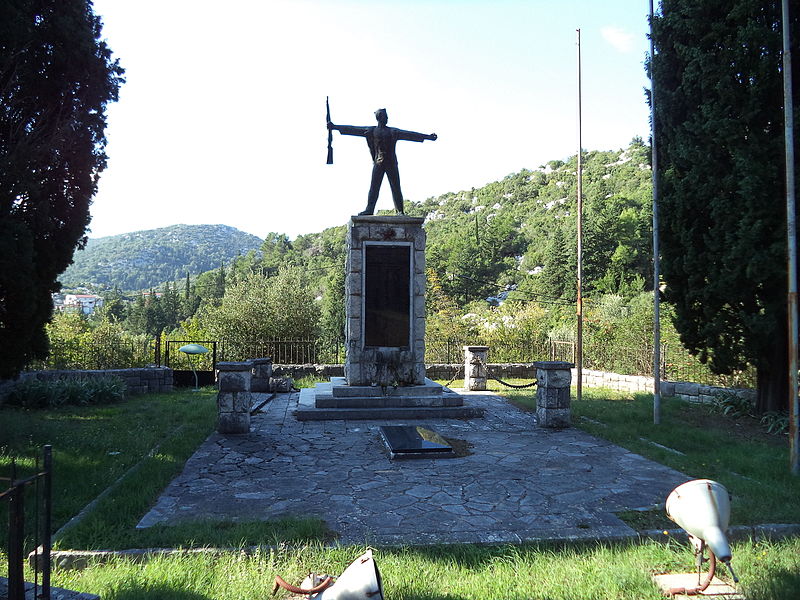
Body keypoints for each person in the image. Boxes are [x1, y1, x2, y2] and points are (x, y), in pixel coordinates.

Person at [328, 108, 437, 215]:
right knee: (374, 187)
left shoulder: (392, 131)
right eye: (385, 117)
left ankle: (400, 210)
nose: (387, 119)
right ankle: (369, 209)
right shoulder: (371, 131)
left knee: (395, 187)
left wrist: (428, 137)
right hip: (379, 163)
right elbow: (352, 129)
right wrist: (335, 127)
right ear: (380, 118)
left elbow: (410, 135)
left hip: (391, 163)